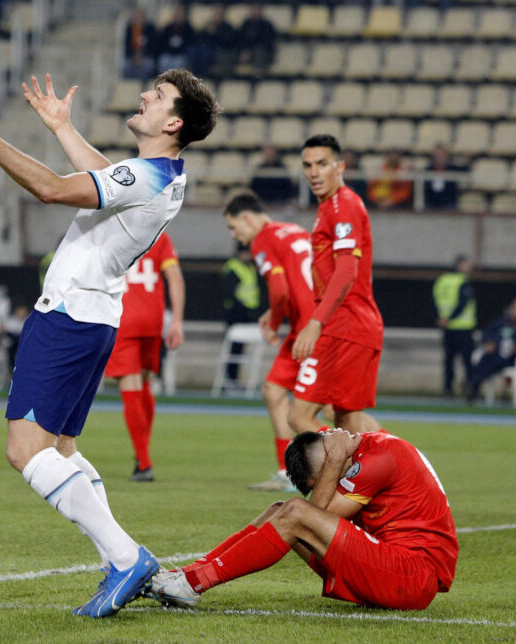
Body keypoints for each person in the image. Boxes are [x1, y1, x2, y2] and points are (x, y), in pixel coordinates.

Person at [0, 69, 219, 617]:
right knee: (63, 450)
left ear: (173, 122)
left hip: (68, 317)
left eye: (158, 95)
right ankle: (121, 559)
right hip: (95, 318)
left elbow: (52, 189)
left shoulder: (146, 177)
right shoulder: (163, 174)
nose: (145, 94)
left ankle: (125, 558)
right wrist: (62, 129)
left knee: (25, 451)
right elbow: (109, 175)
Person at [145, 416, 458, 611]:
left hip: (412, 576)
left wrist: (333, 462)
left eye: (324, 478)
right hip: (393, 565)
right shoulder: (365, 451)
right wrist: (332, 464)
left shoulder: (377, 458)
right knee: (278, 511)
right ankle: (187, 575)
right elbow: (308, 514)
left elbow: (311, 514)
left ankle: (192, 584)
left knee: (294, 512)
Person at [288, 135, 384, 435]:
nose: (314, 172)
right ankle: (389, 469)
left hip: (347, 325)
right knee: (345, 419)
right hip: (344, 324)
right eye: (307, 166)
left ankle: (387, 471)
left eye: (322, 164)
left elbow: (346, 270)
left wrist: (315, 323)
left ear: (339, 166)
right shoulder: (330, 208)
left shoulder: (344, 206)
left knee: (301, 417)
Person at [224, 192, 315, 492]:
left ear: (248, 218)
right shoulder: (295, 231)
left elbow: (279, 291)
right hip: (313, 323)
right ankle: (288, 473)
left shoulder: (262, 240)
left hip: (312, 330)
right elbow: (301, 283)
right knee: (274, 390)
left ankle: (375, 464)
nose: (236, 236)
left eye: (235, 228)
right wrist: (273, 313)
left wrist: (274, 323)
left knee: (328, 412)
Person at [104, 232, 185, 483]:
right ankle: (142, 455)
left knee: (130, 388)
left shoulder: (111, 232)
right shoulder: (160, 234)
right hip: (153, 319)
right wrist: (178, 322)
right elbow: (175, 279)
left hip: (123, 317)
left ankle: (144, 463)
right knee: (145, 383)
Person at [464, 297, 516, 402]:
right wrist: (490, 342)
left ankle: (472, 383)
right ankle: (472, 385)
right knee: (484, 360)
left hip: (512, 357)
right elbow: (487, 332)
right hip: (496, 351)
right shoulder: (503, 321)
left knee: (492, 363)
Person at [433, 255, 476, 398]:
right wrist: (450, 318)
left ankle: (448, 389)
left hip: (447, 327)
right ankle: (470, 390)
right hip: (463, 327)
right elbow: (463, 303)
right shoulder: (462, 282)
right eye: (466, 265)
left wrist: (441, 318)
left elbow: (435, 300)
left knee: (449, 360)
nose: (469, 268)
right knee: (467, 361)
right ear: (459, 266)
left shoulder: (442, 280)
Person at [219, 242, 261, 390]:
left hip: (247, 315)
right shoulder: (234, 268)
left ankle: (234, 378)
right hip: (235, 314)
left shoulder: (248, 267)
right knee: (233, 349)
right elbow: (229, 293)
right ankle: (229, 379)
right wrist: (242, 308)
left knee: (240, 350)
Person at [190, 4, 238, 79]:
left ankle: (203, 76)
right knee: (195, 51)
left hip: (220, 50)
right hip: (207, 48)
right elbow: (200, 38)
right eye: (216, 13)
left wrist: (215, 33)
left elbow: (227, 42)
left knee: (206, 54)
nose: (217, 16)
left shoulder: (227, 27)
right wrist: (208, 31)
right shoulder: (208, 25)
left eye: (219, 13)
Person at [237, 3, 277, 76]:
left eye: (257, 9)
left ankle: (257, 75)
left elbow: (267, 42)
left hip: (263, 52)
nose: (254, 11)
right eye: (253, 9)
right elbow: (240, 40)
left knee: (259, 52)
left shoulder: (267, 25)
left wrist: (250, 50)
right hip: (247, 52)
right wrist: (243, 50)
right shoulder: (245, 24)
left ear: (261, 11)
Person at [155, 4, 194, 73]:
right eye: (176, 14)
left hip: (181, 55)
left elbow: (190, 44)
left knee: (179, 63)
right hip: (169, 54)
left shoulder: (188, 29)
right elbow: (162, 43)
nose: (178, 16)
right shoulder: (167, 28)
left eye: (180, 14)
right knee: (163, 60)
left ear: (184, 16)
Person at [122, 7, 157, 81]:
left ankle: (144, 85)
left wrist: (143, 56)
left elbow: (153, 46)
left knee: (149, 65)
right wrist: (134, 57)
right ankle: (130, 86)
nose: (139, 19)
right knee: (126, 65)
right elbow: (127, 46)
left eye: (142, 16)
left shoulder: (150, 29)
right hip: (133, 57)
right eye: (138, 16)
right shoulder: (130, 29)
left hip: (146, 57)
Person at [423, 144, 460, 211]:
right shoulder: (427, 171)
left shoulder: (453, 170)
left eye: (442, 155)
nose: (439, 157)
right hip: (431, 203)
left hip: (448, 203)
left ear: (446, 156)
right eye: (437, 155)